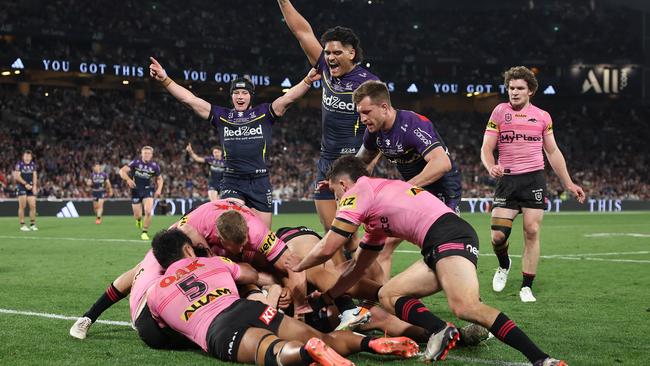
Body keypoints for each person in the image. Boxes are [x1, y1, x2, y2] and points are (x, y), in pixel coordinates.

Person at [286, 156, 568, 366]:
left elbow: (328, 247)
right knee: (388, 294)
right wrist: (328, 297)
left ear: (343, 184)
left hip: (447, 236)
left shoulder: (358, 190)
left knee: (466, 306)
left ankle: (542, 360)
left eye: (336, 193)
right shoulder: (375, 210)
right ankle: (440, 329)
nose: (337, 201)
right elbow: (356, 269)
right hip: (439, 241)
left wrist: (296, 266)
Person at [147, 228, 419, 366]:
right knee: (324, 338)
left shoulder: (155, 291)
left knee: (273, 351)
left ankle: (304, 352)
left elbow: (160, 331)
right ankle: (370, 344)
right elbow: (249, 274)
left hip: (217, 329)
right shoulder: (213, 262)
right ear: (187, 248)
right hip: (245, 308)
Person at [149, 57, 319, 229]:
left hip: (260, 181)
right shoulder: (222, 115)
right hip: (233, 180)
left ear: (251, 96)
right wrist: (165, 79)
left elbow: (288, 98)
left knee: (263, 234)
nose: (240, 96)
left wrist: (308, 80)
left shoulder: (264, 113)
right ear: (231, 96)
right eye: (236, 93)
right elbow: (190, 100)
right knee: (232, 227)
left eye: (244, 93)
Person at [277, 0, 379, 257]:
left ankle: (363, 288)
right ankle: (340, 291)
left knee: (349, 234)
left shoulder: (369, 84)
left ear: (352, 53)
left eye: (337, 53)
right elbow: (301, 31)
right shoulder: (323, 68)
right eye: (328, 52)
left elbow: (383, 127)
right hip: (326, 163)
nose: (330, 57)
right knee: (329, 229)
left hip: (353, 165)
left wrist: (369, 164)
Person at [481, 66, 586, 302]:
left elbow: (553, 151)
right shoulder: (499, 112)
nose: (514, 92)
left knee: (532, 231)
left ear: (530, 91)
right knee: (498, 236)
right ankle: (504, 264)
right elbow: (487, 147)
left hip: (533, 179)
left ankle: (526, 286)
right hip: (507, 180)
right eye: (511, 88)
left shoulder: (542, 116)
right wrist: (490, 166)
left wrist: (568, 183)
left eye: (520, 88)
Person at [353, 80, 462, 282]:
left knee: (443, 251)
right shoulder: (374, 132)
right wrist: (338, 179)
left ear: (384, 107)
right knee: (383, 244)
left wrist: (404, 188)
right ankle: (381, 300)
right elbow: (359, 164)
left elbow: (442, 163)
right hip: (414, 191)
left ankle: (466, 292)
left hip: (442, 191)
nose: (362, 118)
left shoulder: (413, 124)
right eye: (360, 113)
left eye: (366, 112)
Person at [119, 146, 163, 240]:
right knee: (137, 215)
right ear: (141, 154)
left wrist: (159, 189)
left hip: (148, 189)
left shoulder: (155, 166)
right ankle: (138, 220)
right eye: (145, 153)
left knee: (148, 211)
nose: (147, 155)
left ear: (151, 155)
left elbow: (160, 179)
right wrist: (128, 180)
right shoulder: (135, 163)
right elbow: (122, 171)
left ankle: (144, 232)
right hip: (136, 190)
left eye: (149, 153)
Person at [13, 150, 38, 231]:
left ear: (31, 157)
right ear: (23, 157)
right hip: (22, 187)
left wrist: (34, 186)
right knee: (22, 206)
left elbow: (34, 176)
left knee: (33, 206)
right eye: (26, 156)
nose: (27, 158)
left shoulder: (33, 164)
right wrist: (25, 184)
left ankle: (32, 224)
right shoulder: (19, 165)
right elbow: (17, 176)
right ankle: (22, 225)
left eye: (29, 156)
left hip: (30, 187)